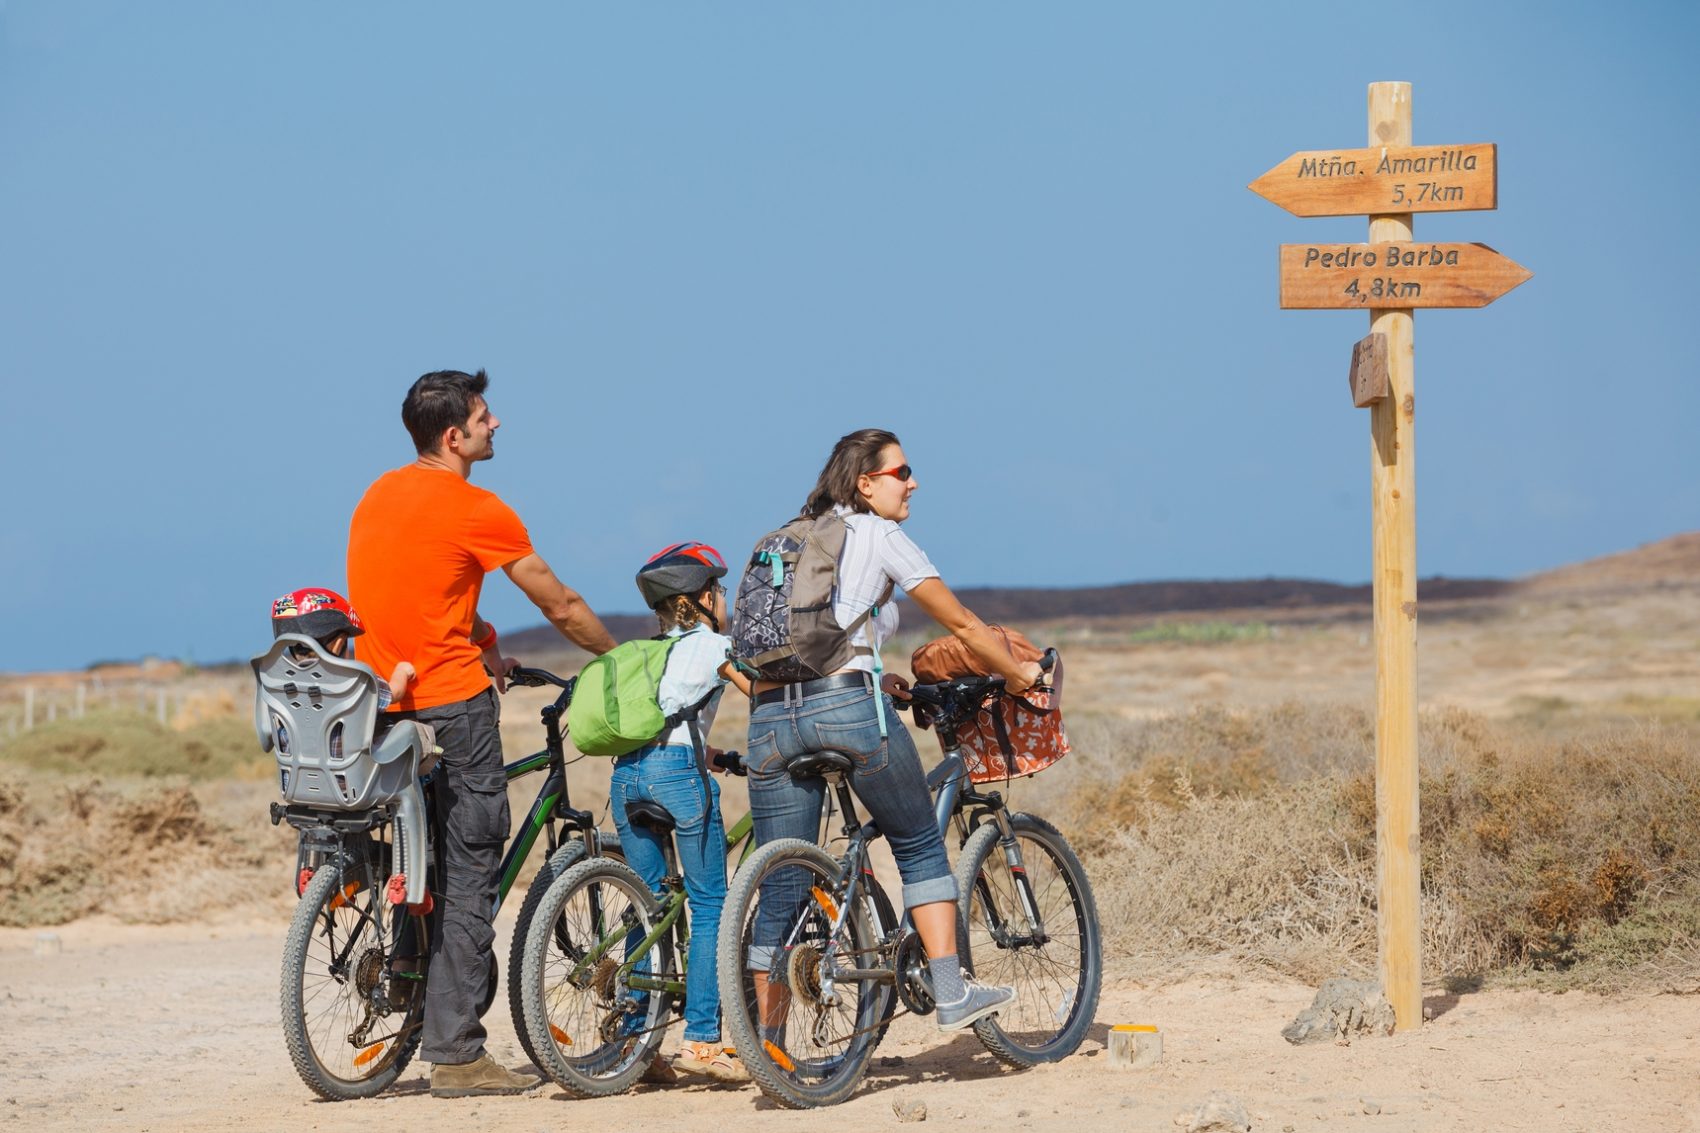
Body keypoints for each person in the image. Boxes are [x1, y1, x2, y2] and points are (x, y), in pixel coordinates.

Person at [347, 368, 618, 1099]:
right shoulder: (477, 508)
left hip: (384, 708)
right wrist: (618, 657)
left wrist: (486, 633)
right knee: (472, 867)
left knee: (425, 860)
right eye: (486, 416)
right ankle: (460, 1053)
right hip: (453, 708)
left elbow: (422, 590)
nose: (496, 425)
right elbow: (560, 602)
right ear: (453, 435)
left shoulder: (378, 494)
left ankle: (407, 986)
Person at [741, 428, 1042, 1034]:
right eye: (901, 472)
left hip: (769, 717)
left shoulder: (784, 538)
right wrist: (1017, 673)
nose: (913, 483)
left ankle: (767, 1045)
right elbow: (960, 620)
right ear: (865, 482)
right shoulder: (875, 532)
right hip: (846, 709)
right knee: (918, 844)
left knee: (779, 881)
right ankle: (953, 994)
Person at [613, 542, 753, 1081]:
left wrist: (716, 756)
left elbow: (670, 723)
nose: (724, 597)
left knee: (644, 905)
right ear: (700, 598)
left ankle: (634, 1043)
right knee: (710, 902)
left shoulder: (653, 650)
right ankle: (701, 1039)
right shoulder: (714, 644)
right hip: (676, 780)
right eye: (718, 589)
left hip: (628, 775)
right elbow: (758, 692)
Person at [266, 587, 414, 758]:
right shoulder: (357, 680)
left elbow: (267, 736)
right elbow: (396, 692)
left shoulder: (281, 684)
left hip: (297, 782)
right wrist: (401, 671)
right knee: (411, 732)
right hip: (353, 782)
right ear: (339, 643)